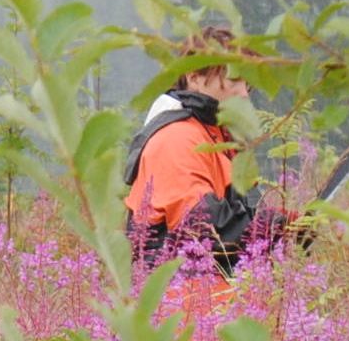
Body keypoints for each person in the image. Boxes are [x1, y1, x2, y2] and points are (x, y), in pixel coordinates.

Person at [122, 25, 289, 277]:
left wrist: (294, 224)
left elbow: (248, 215)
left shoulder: (218, 137)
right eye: (234, 79)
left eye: (248, 84)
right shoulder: (174, 138)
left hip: (218, 298)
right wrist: (280, 229)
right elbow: (203, 226)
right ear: (194, 76)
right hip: (180, 302)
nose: (244, 93)